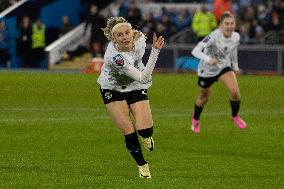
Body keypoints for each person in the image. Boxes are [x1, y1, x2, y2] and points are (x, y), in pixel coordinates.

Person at [97, 17, 164, 178]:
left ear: (133, 32)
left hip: (135, 85)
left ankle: (146, 136)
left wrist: (153, 47)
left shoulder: (139, 38)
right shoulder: (115, 57)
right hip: (113, 88)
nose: (125, 37)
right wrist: (155, 51)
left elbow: (140, 79)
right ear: (114, 39)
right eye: (120, 35)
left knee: (145, 129)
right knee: (128, 129)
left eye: (127, 32)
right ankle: (142, 165)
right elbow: (143, 77)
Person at [191, 11, 247, 133]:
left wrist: (235, 67)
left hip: (223, 67)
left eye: (232, 23)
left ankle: (235, 116)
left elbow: (233, 51)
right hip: (206, 70)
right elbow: (195, 50)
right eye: (226, 23)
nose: (230, 26)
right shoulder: (213, 36)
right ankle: (195, 119)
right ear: (221, 25)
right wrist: (208, 59)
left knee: (235, 92)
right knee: (204, 97)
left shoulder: (236, 37)